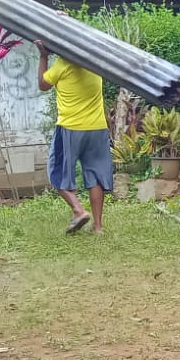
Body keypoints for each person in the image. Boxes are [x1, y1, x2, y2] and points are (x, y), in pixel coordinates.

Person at [37, 44, 111, 234]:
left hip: (70, 128)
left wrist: (43, 56)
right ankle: (98, 226)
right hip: (97, 127)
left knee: (56, 171)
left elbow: (43, 85)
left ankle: (78, 211)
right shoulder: (95, 64)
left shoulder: (63, 64)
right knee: (95, 176)